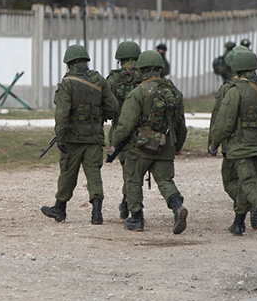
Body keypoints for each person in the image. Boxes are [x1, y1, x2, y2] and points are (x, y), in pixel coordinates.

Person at [112, 49, 188, 233]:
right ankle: (177, 207)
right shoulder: (174, 92)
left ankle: (137, 219)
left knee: (133, 180)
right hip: (165, 145)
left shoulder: (137, 93)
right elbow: (181, 125)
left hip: (141, 146)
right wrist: (177, 147)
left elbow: (125, 124)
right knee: (165, 181)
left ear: (141, 69)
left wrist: (116, 141)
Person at [208, 49, 257, 238]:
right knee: (250, 183)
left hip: (240, 147)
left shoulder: (235, 90)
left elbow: (224, 122)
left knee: (242, 184)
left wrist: (214, 143)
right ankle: (238, 223)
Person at [42, 45, 118, 224]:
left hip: (73, 138)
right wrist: (99, 116)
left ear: (69, 63)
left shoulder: (68, 82)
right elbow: (113, 107)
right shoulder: (99, 79)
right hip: (94, 137)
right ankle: (97, 214)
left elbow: (62, 113)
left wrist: (60, 136)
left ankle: (59, 209)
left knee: (68, 173)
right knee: (94, 174)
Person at [106, 40, 142, 220]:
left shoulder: (113, 79)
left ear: (120, 59)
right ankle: (127, 201)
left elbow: (107, 104)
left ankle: (128, 203)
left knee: (128, 169)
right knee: (136, 169)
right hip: (146, 132)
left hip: (121, 129)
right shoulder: (146, 76)